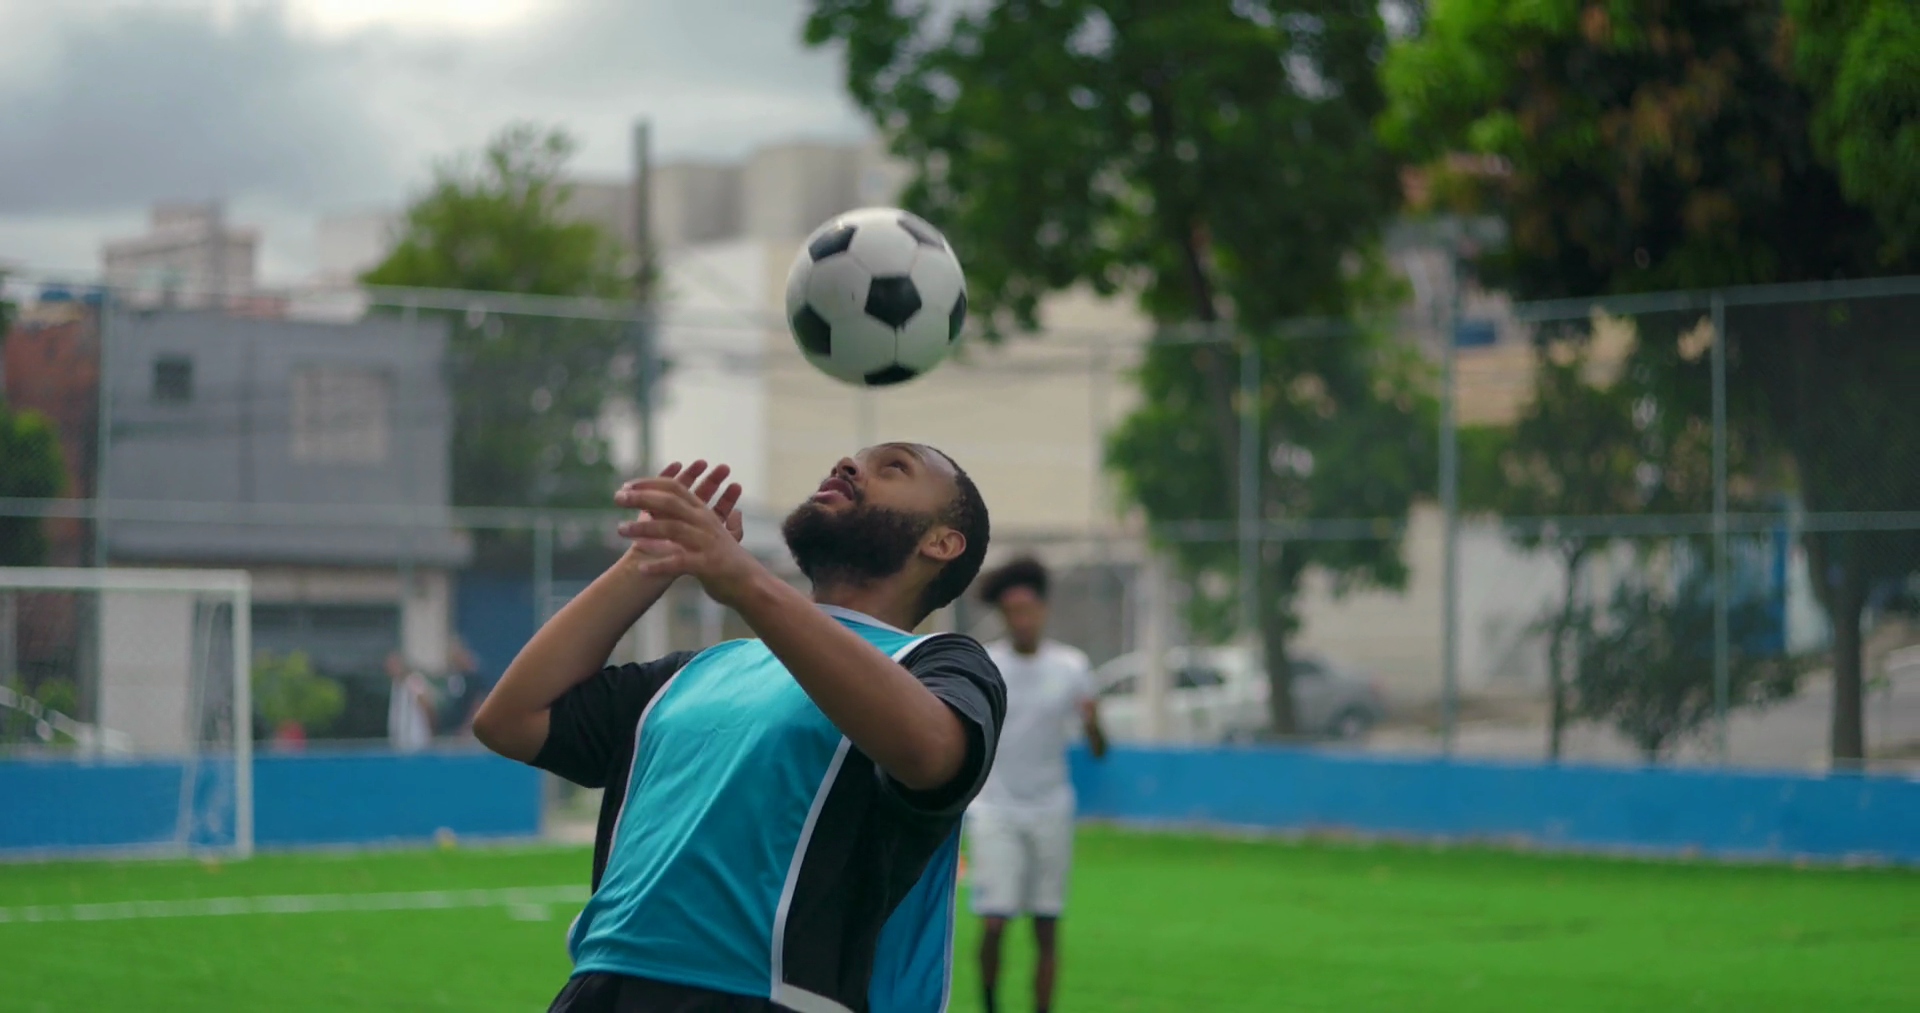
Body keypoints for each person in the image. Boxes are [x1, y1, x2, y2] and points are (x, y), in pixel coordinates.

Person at [473, 445, 1004, 1013]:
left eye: (893, 467)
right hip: (598, 992)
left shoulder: (936, 664)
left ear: (941, 543)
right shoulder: (697, 671)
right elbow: (510, 720)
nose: (847, 465)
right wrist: (647, 562)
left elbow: (930, 752)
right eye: (851, 459)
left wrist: (743, 578)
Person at [967, 557, 1106, 1013]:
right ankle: (990, 1005)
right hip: (995, 809)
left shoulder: (1071, 666)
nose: (1021, 620)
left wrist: (1093, 722)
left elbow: (1099, 749)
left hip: (1051, 809)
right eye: (1011, 612)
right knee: (994, 922)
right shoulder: (987, 664)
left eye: (1027, 610)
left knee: (1046, 926)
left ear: (1043, 610)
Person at [385, 650, 435, 753]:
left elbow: (428, 706)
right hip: (400, 741)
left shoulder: (414, 680)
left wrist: (431, 731)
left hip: (416, 740)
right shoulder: (396, 684)